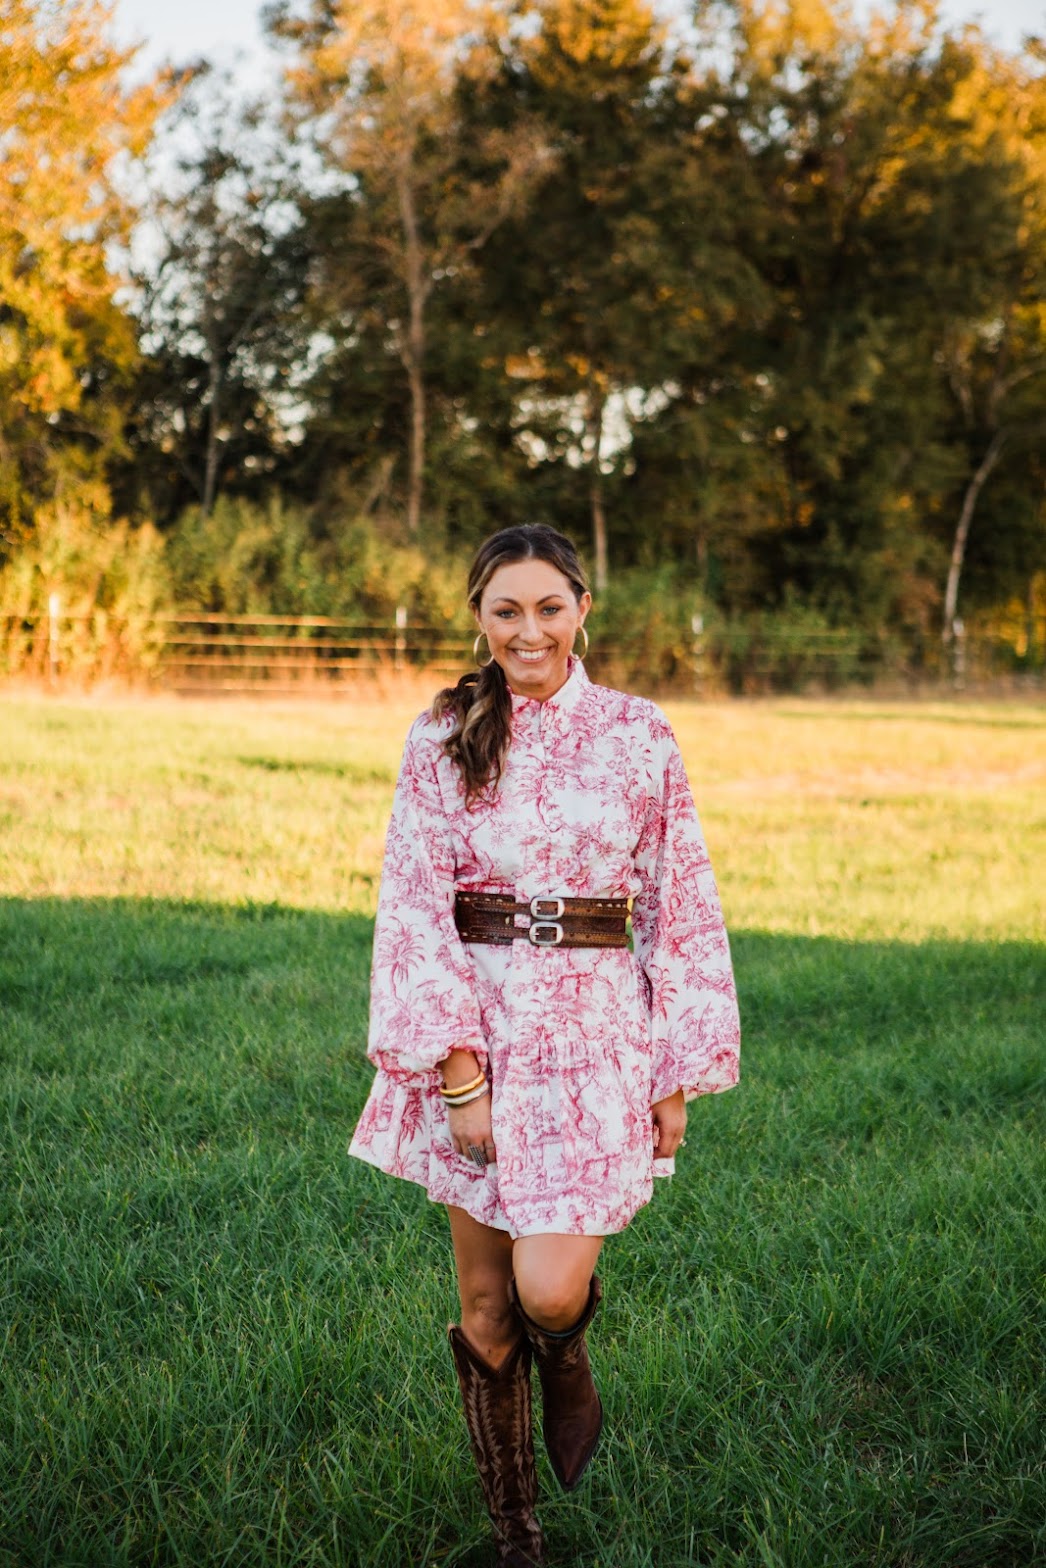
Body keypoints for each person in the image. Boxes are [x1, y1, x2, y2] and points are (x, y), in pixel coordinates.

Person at [349, 524, 740, 1567]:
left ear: (581, 609)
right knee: (483, 1305)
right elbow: (413, 904)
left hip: (594, 1033)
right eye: (505, 609)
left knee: (545, 1288)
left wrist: (674, 1072)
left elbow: (679, 900)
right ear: (477, 616)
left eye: (547, 606)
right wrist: (457, 1070)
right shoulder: (441, 732)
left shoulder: (637, 732)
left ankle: (565, 1350)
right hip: (474, 1032)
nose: (527, 629)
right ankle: (514, 1533)